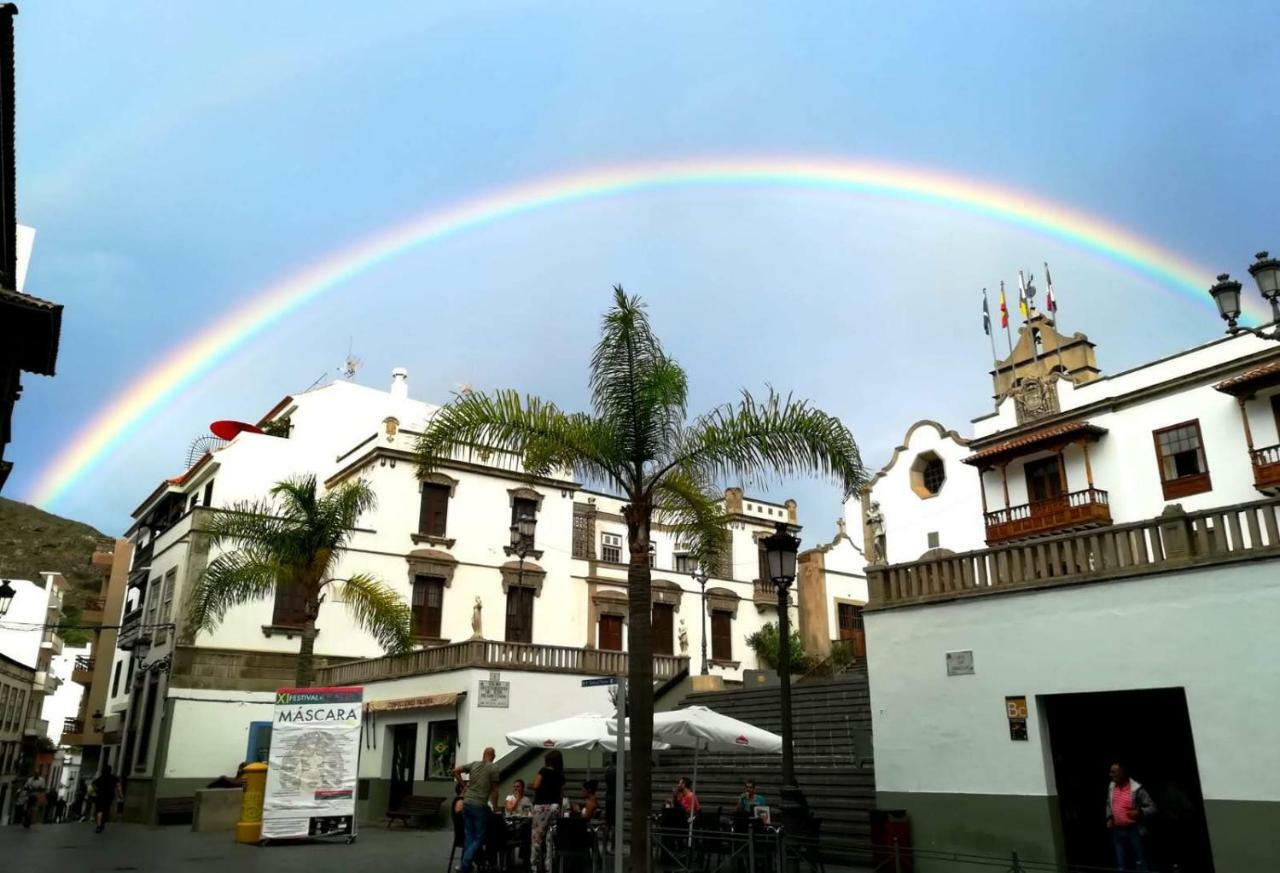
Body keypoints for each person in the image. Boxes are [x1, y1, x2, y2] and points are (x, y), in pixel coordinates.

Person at [452, 747, 500, 873]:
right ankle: (465, 864)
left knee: (470, 836)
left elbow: (456, 771)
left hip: (467, 802)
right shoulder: (494, 768)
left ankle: (465, 866)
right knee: (480, 838)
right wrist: (495, 808)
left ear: (483, 754)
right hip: (479, 805)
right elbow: (495, 790)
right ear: (493, 756)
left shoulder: (474, 764)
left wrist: (463, 785)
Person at [1107, 762, 1156, 872]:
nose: (1111, 774)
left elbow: (1152, 807)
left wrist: (1140, 812)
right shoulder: (1112, 786)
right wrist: (1110, 817)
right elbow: (1108, 803)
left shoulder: (1136, 789)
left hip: (1134, 830)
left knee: (1140, 862)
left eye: (1114, 772)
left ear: (1122, 773)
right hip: (1117, 831)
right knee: (1122, 864)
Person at [530, 749, 565, 873]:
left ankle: (534, 866)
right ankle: (549, 866)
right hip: (554, 807)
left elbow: (535, 785)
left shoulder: (543, 771)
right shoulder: (560, 775)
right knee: (550, 838)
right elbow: (561, 794)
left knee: (537, 837)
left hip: (541, 807)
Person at [93, 765, 123, 834]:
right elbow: (118, 787)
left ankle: (98, 826)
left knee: (99, 810)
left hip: (100, 795)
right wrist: (120, 795)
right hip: (109, 796)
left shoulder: (100, 778)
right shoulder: (114, 778)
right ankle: (102, 823)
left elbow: (94, 784)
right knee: (106, 810)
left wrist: (96, 791)